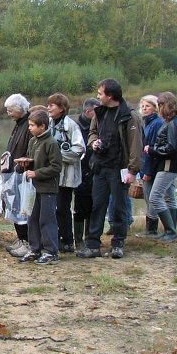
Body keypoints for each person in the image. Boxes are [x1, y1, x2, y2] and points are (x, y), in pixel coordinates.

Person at [77, 78, 143, 259]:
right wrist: (94, 143)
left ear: (110, 95)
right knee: (97, 205)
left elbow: (136, 145)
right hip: (100, 167)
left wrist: (132, 170)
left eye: (100, 93)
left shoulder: (129, 116)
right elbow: (92, 133)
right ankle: (93, 245)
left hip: (119, 168)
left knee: (119, 207)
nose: (98, 97)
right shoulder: (99, 113)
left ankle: (118, 244)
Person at [16, 110, 62, 264]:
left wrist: (36, 173)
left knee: (46, 220)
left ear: (42, 126)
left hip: (48, 188)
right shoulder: (32, 141)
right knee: (32, 219)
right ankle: (34, 250)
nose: (29, 128)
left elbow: (56, 167)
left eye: (32, 125)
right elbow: (31, 161)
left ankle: (51, 252)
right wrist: (24, 165)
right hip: (33, 189)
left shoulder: (51, 143)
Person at [47, 93, 86, 253]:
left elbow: (79, 149)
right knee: (52, 208)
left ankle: (67, 240)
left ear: (62, 108)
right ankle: (54, 238)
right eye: (48, 105)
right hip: (51, 175)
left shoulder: (71, 126)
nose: (48, 107)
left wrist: (57, 155)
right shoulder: (47, 124)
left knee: (63, 208)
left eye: (52, 105)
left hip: (67, 175)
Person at [146, 92, 177, 242]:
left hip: (169, 164)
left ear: (165, 105)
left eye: (160, 105)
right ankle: (171, 230)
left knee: (155, 197)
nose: (159, 109)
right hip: (168, 163)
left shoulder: (174, 123)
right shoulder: (172, 121)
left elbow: (172, 147)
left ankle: (171, 231)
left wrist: (152, 149)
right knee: (169, 197)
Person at [0, 93, 33, 257]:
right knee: (14, 207)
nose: (8, 113)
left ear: (20, 109)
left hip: (23, 174)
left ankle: (27, 241)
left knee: (23, 209)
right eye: (7, 110)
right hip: (12, 173)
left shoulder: (29, 124)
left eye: (11, 110)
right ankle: (21, 239)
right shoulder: (18, 124)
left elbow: (30, 149)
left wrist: (22, 166)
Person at [134, 95, 164, 238]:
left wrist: (147, 171)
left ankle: (151, 230)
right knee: (148, 197)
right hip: (146, 165)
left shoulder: (156, 123)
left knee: (151, 197)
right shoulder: (146, 122)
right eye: (143, 106)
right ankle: (151, 229)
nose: (144, 108)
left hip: (152, 166)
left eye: (148, 106)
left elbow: (151, 149)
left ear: (155, 108)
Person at [72, 98, 100, 251]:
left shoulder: (100, 124)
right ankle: (78, 240)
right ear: (88, 112)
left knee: (94, 205)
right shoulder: (75, 126)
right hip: (80, 171)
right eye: (97, 111)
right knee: (80, 206)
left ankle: (90, 237)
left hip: (97, 170)